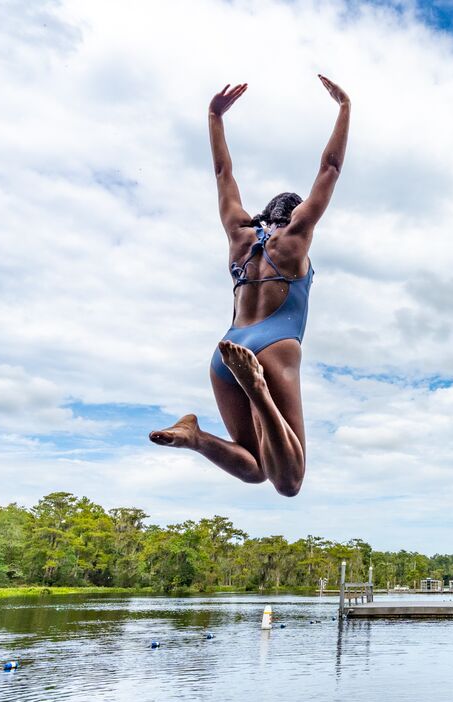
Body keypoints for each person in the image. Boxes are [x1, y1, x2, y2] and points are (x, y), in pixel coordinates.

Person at [150, 75, 351, 497]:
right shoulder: (295, 239)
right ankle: (256, 387)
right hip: (272, 347)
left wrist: (214, 117)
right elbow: (330, 170)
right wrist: (344, 108)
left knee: (256, 468)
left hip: (226, 348)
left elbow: (223, 172)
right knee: (289, 482)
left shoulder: (240, 235)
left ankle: (196, 436)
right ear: (296, 217)